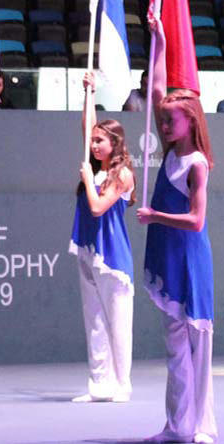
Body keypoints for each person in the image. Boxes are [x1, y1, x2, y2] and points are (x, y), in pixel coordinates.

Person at [138, 14, 216, 444]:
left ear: (191, 121)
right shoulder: (168, 151)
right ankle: (175, 426)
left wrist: (155, 217)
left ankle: (202, 427)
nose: (164, 125)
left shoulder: (197, 164)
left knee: (197, 348)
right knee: (174, 351)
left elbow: (196, 221)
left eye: (172, 120)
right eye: (163, 120)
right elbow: (155, 92)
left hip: (190, 260)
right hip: (168, 257)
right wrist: (161, 40)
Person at [70, 71, 135, 403]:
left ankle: (122, 384)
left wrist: (86, 178)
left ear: (115, 144)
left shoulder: (120, 174)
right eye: (93, 141)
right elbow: (87, 125)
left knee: (117, 323)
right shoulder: (95, 168)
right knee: (94, 320)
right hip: (87, 248)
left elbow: (97, 208)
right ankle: (99, 384)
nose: (93, 145)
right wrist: (89, 92)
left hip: (113, 257)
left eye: (100, 141)